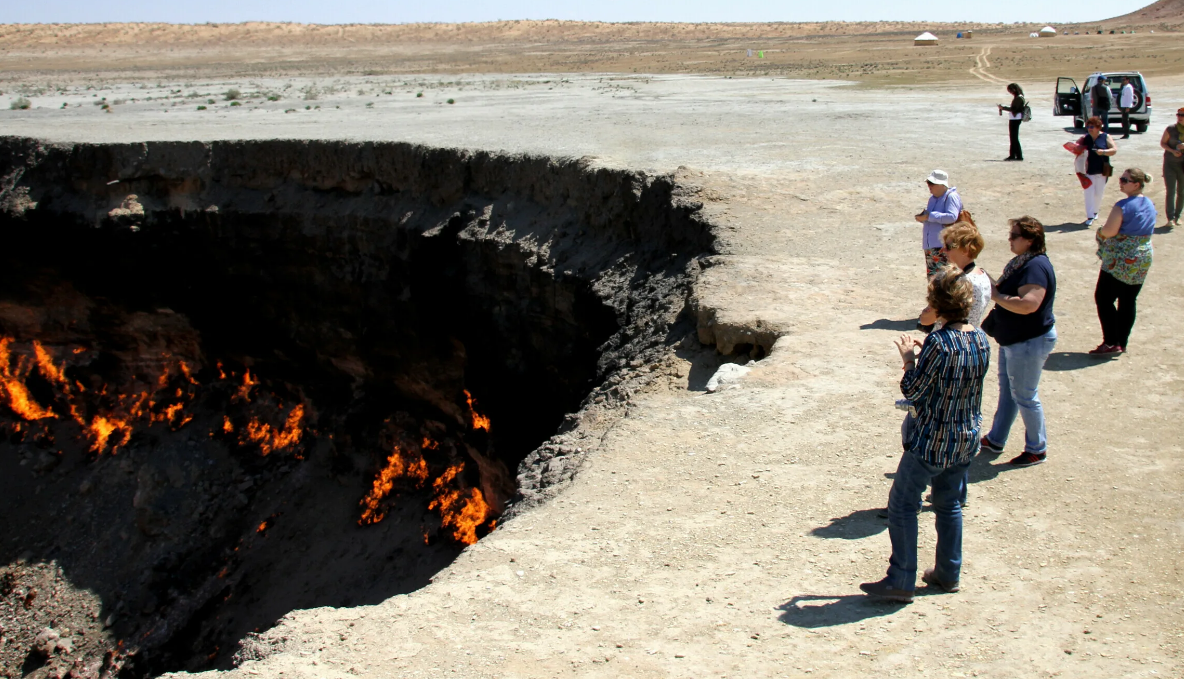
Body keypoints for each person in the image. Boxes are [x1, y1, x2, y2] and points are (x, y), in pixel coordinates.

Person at [860, 266, 991, 603]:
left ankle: (900, 579)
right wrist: (927, 354)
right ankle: (948, 572)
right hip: (966, 437)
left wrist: (908, 360)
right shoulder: (979, 338)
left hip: (932, 439)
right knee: (949, 505)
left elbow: (913, 390)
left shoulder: (939, 343)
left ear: (938, 303)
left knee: (903, 505)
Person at [980, 217, 1057, 468]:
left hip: (1028, 341)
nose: (1010, 239)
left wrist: (998, 295)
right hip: (1014, 339)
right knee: (1010, 393)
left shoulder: (1035, 267)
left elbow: (1028, 305)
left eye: (1015, 236)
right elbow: (1003, 291)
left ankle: (1037, 448)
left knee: (1025, 396)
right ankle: (996, 439)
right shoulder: (1022, 262)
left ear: (1031, 240)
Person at [1090, 168, 1156, 356]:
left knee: (1103, 298)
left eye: (1125, 180)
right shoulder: (1149, 203)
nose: (1121, 182)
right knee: (1128, 300)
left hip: (1121, 258)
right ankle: (1121, 342)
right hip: (1143, 257)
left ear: (1136, 184)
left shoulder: (1123, 205)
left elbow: (1110, 231)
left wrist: (1100, 232)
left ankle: (1111, 342)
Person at [919, 221, 991, 330]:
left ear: (965, 250)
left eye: (948, 246)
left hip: (947, 341)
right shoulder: (983, 276)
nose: (943, 250)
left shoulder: (958, 281)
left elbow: (926, 319)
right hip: (970, 338)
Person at [914, 170, 962, 278]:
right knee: (933, 280)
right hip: (931, 245)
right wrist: (923, 218)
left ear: (941, 184)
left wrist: (929, 216)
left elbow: (952, 217)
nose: (929, 186)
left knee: (945, 279)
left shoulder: (951, 196)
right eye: (928, 183)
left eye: (932, 184)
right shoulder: (932, 199)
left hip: (943, 246)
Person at [1081, 116, 1117, 226]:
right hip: (1088, 170)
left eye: (1092, 126)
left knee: (1098, 193)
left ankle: (1095, 211)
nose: (1089, 128)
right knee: (1089, 193)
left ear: (1098, 127)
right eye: (1088, 126)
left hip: (1102, 171)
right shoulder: (1085, 138)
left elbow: (1114, 150)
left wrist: (1103, 152)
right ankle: (1090, 216)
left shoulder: (1105, 137)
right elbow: (1076, 147)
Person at [1159, 107, 1184, 227]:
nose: (1180, 117)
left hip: (1183, 165)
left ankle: (1178, 217)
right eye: (1178, 114)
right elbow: (1162, 143)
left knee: (1182, 191)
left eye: (1182, 115)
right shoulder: (1171, 129)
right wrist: (1172, 150)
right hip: (1170, 163)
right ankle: (1170, 218)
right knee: (1171, 190)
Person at [997, 83, 1026, 161]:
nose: (1010, 92)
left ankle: (1018, 155)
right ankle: (1013, 155)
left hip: (1015, 119)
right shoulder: (1019, 97)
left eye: (1010, 90)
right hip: (1015, 118)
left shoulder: (1019, 98)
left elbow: (1014, 109)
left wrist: (1003, 108)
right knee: (1013, 137)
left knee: (1014, 137)